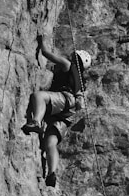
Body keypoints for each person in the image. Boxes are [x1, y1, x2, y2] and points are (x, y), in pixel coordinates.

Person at [21, 35, 92, 187]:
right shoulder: (81, 83)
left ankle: (36, 122)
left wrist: (40, 40)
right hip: (67, 114)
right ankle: (51, 174)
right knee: (50, 143)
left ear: (75, 58)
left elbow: (46, 53)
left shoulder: (67, 65)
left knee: (39, 96)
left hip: (64, 99)